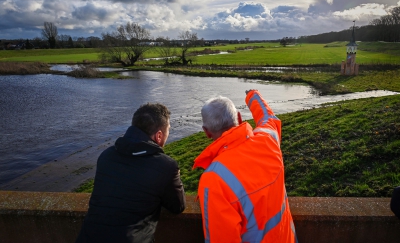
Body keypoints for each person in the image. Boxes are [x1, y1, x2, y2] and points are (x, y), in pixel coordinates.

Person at [193, 90, 297, 242]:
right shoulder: (268, 140)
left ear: (207, 132)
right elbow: (268, 117)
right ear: (240, 118)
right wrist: (252, 95)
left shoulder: (213, 179)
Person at [76, 103, 186, 243]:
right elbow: (178, 207)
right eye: (168, 130)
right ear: (159, 135)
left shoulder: (107, 155)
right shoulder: (166, 165)